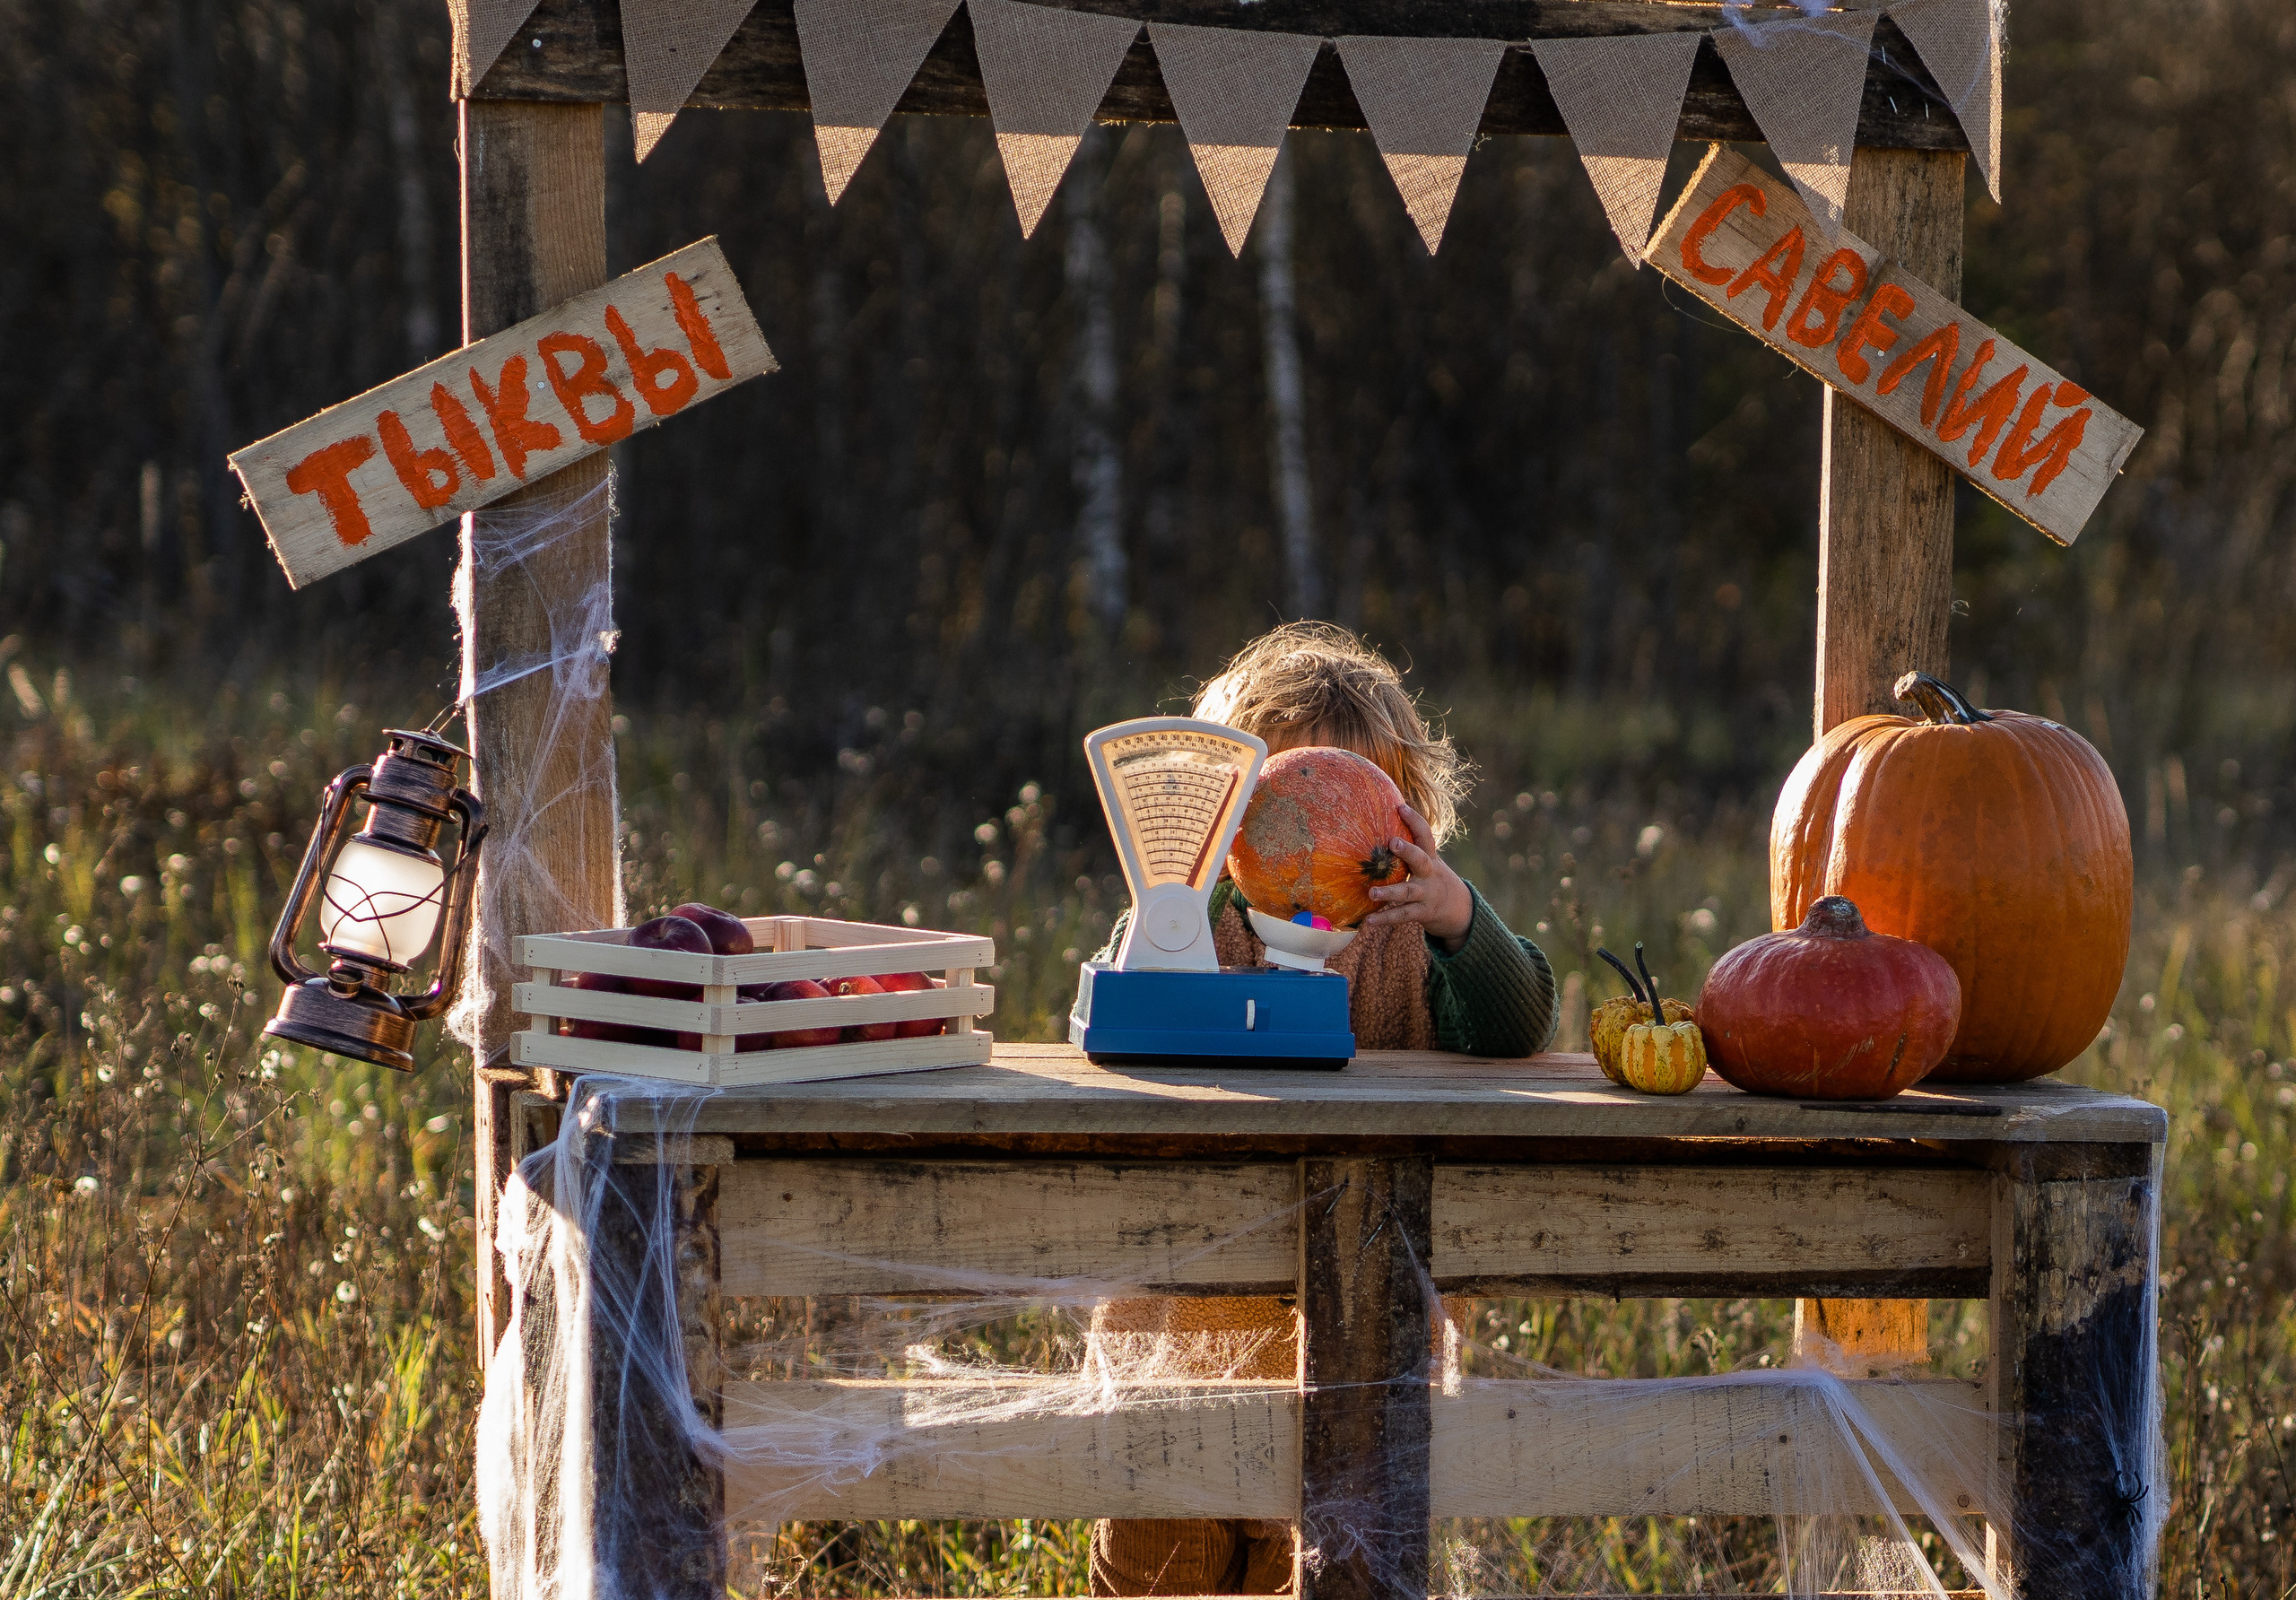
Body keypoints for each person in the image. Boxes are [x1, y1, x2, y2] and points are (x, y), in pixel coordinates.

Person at [1088, 622, 1558, 1597]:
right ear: (1220, 809)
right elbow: (1121, 1020)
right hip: (1175, 1365)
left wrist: (1460, 919)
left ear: (1411, 818)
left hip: (1355, 1384)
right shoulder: (1194, 921)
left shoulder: (1416, 939)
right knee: (1153, 1573)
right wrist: (1177, 896)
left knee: (1330, 1575)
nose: (1312, 836)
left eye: (1353, 804)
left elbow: (1518, 1025)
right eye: (1280, 805)